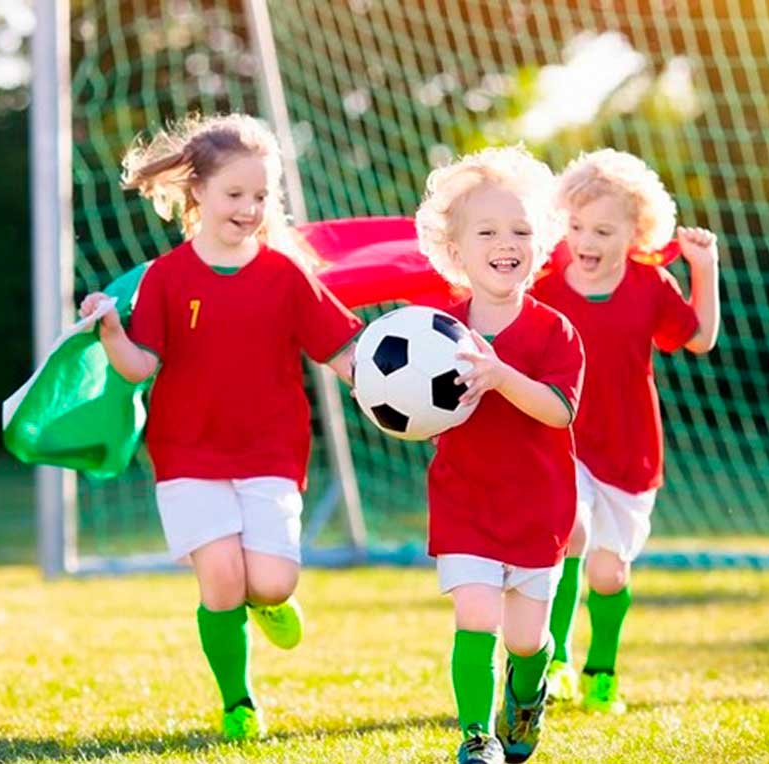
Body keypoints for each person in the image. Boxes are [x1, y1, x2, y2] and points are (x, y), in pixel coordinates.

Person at [78, 113, 362, 741]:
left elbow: (342, 353)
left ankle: (271, 601)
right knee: (223, 578)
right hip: (187, 455)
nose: (250, 207)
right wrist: (110, 328)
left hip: (270, 453)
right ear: (198, 192)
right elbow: (136, 369)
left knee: (271, 579)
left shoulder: (287, 274)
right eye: (236, 194)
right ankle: (238, 702)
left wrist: (394, 393)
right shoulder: (165, 279)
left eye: (262, 196)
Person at [531, 148, 720, 714]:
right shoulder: (544, 283)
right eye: (577, 226)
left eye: (603, 230)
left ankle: (601, 667)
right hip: (563, 440)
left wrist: (703, 269)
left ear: (635, 233)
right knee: (568, 533)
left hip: (630, 451)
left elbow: (699, 338)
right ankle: (555, 656)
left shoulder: (649, 284)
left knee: (609, 573)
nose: (587, 241)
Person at [412, 146, 585, 764]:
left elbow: (560, 410)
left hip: (537, 506)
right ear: (455, 251)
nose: (505, 242)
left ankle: (529, 684)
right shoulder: (434, 333)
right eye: (487, 231)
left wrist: (500, 375)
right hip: (465, 501)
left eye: (520, 230)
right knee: (475, 620)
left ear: (540, 246)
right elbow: (415, 409)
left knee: (525, 637)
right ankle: (476, 737)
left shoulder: (555, 332)